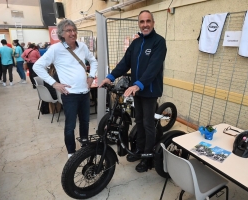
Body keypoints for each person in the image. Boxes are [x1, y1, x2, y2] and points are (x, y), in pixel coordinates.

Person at [99, 10, 167, 173]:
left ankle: (148, 156)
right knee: (139, 122)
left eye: (148, 21)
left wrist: (138, 84)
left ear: (153, 23)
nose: (145, 25)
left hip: (149, 90)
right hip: (137, 90)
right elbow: (125, 63)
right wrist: (110, 76)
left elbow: (153, 68)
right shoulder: (136, 43)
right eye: (142, 22)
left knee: (148, 124)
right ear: (139, 24)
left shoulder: (159, 42)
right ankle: (140, 150)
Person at [33, 19, 98, 159]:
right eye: (69, 31)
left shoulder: (82, 46)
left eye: (74, 30)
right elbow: (37, 66)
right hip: (70, 95)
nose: (72, 33)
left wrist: (91, 76)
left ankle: (85, 148)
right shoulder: (56, 49)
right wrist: (54, 83)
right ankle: (71, 153)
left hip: (85, 93)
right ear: (62, 34)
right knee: (70, 126)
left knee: (85, 122)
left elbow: (93, 61)